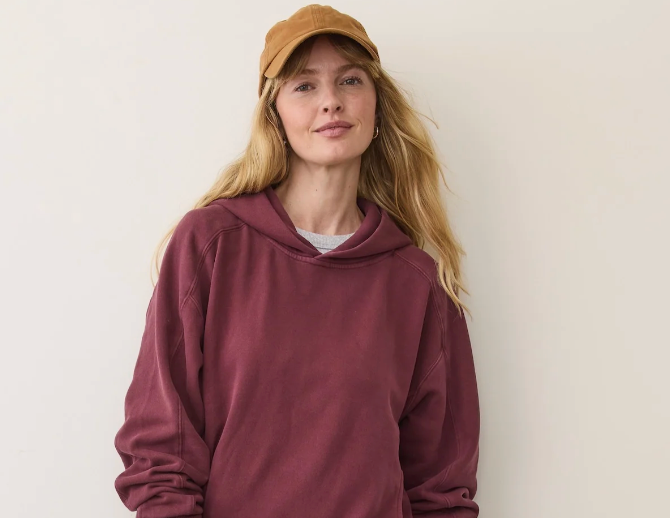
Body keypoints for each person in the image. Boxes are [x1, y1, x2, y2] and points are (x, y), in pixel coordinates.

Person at [113, 4, 480, 517]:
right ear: (275, 115)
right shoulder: (211, 245)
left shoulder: (417, 284)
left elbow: (442, 487)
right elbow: (160, 447)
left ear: (377, 106)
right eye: (304, 86)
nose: (331, 101)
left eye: (350, 80)